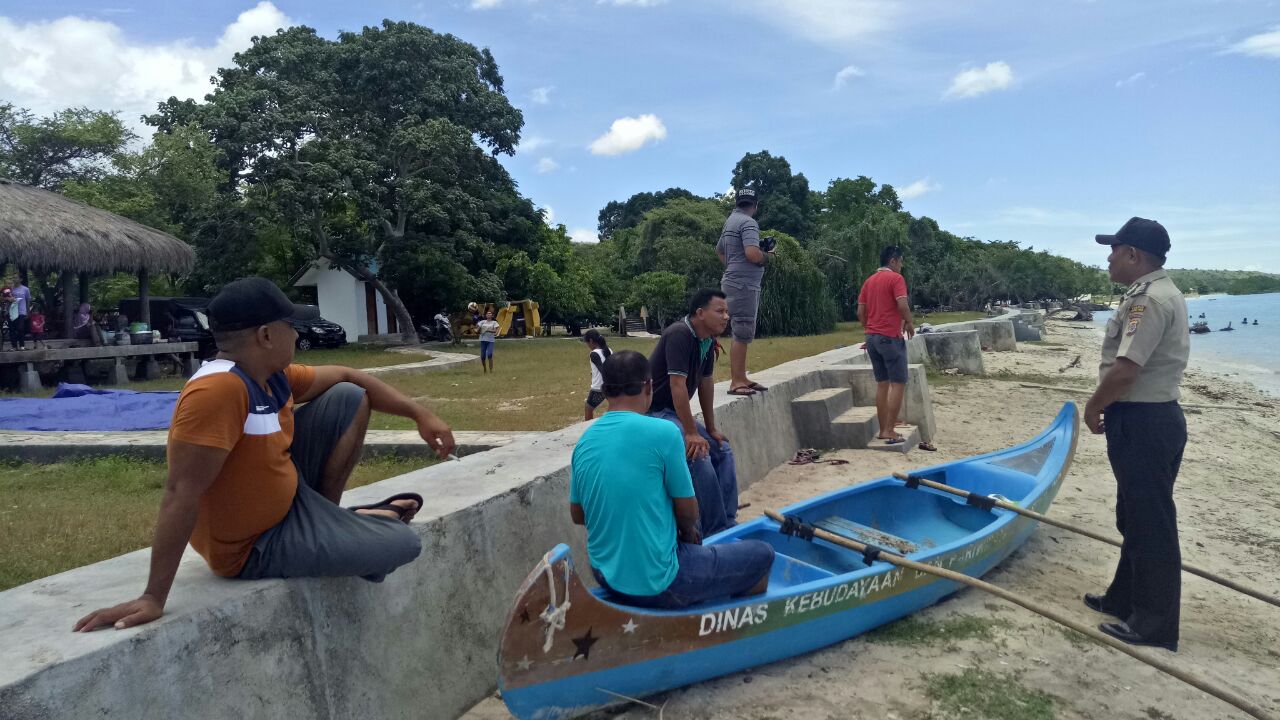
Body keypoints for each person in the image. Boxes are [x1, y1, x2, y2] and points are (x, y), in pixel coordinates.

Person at [73, 277, 456, 633]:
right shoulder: (218, 391)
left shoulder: (270, 375)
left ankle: (329, 520)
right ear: (267, 335)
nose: (297, 333)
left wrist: (420, 414)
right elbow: (180, 492)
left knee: (348, 397)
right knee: (404, 544)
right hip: (253, 546)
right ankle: (348, 524)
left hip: (293, 505)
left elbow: (349, 376)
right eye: (291, 326)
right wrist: (153, 596)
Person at [570, 349, 773, 609]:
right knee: (761, 554)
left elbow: (578, 515)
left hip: (605, 575)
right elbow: (689, 513)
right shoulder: (664, 433)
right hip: (660, 582)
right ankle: (725, 624)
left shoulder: (585, 441)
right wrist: (686, 531)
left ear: (606, 391)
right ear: (648, 386)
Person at [1083, 217, 1189, 652]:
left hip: (1144, 421)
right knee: (1133, 515)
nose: (1108, 257)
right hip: (1148, 418)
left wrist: (1094, 405)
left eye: (1114, 249)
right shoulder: (1154, 294)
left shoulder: (1150, 300)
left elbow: (1127, 370)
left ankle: (1154, 624)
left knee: (1151, 523)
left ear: (1133, 255)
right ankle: (1124, 598)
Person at [647, 288, 738, 536]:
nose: (726, 316)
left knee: (722, 450)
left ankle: (728, 522)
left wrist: (710, 429)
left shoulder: (706, 340)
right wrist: (690, 432)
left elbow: (706, 384)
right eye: (720, 311)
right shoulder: (680, 334)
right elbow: (677, 386)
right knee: (699, 455)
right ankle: (714, 531)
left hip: (674, 413)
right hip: (656, 412)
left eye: (727, 311)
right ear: (700, 313)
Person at [716, 187, 773, 396]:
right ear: (755, 205)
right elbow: (752, 254)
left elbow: (720, 251)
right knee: (742, 330)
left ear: (737, 203)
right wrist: (767, 256)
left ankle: (741, 377)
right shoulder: (749, 223)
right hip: (744, 285)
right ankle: (737, 381)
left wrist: (732, 266)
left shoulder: (730, 221)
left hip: (732, 281)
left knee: (740, 330)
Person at [856, 246, 915, 445]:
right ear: (893, 261)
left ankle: (884, 429)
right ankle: (889, 429)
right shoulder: (896, 279)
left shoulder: (869, 281)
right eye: (900, 261)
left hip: (872, 338)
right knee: (898, 383)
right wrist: (910, 321)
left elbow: (860, 312)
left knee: (882, 384)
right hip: (889, 337)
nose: (902, 265)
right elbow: (902, 304)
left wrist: (870, 328)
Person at [582, 329, 612, 421]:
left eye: (587, 343)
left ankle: (587, 429)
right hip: (611, 384)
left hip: (600, 387)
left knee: (588, 408)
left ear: (591, 341)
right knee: (614, 407)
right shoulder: (608, 350)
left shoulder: (594, 353)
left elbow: (602, 369)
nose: (588, 346)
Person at [10, 276, 30, 350]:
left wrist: (28, 312)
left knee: (20, 328)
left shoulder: (25, 289)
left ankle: (22, 345)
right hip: (12, 312)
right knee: (12, 329)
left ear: (21, 279)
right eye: (14, 278)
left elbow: (28, 301)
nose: (14, 279)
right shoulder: (10, 289)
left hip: (21, 311)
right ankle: (14, 346)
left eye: (16, 277)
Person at [477, 309, 499, 373]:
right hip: (483, 340)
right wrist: (477, 330)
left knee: (489, 354)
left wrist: (487, 330)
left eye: (490, 313)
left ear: (492, 315)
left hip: (490, 341)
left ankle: (491, 370)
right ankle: (485, 369)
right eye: (487, 313)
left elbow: (495, 331)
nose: (488, 314)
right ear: (485, 315)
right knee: (483, 356)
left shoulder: (494, 323)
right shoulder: (482, 322)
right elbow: (477, 329)